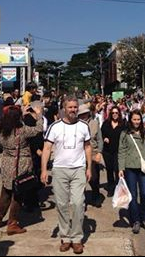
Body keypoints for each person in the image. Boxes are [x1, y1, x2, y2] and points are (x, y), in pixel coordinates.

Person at [41, 96, 92, 254]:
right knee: (62, 204)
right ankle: (65, 236)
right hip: (60, 169)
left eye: (75, 107)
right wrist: (44, 170)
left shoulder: (84, 126)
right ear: (64, 108)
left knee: (78, 203)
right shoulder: (54, 126)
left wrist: (89, 167)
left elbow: (88, 147)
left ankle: (76, 238)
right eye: (70, 107)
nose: (73, 110)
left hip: (78, 169)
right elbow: (47, 149)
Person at [0, 104, 43, 235]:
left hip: (6, 163)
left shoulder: (1, 129)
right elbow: (39, 129)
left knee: (6, 192)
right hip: (20, 164)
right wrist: (39, 115)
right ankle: (12, 223)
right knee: (18, 193)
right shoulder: (22, 130)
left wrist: (20, 112)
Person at [118, 110, 145, 234]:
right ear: (130, 120)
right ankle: (135, 220)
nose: (136, 122)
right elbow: (122, 151)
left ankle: (144, 217)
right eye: (134, 119)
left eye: (138, 119)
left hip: (143, 168)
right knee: (133, 196)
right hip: (130, 168)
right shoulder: (125, 133)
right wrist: (121, 168)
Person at [79, 104, 104, 208]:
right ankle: (81, 201)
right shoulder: (76, 124)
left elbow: (99, 139)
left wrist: (99, 152)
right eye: (81, 114)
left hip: (93, 154)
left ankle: (96, 196)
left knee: (94, 178)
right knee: (80, 180)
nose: (83, 116)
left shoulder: (94, 123)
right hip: (79, 154)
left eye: (85, 113)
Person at [101, 106, 127, 197]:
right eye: (113, 113)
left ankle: (119, 189)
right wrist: (104, 138)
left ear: (119, 114)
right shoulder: (106, 123)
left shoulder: (123, 124)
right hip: (107, 151)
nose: (114, 115)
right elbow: (101, 134)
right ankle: (111, 188)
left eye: (116, 113)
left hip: (118, 151)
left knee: (117, 170)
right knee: (109, 170)